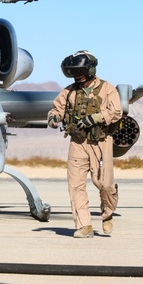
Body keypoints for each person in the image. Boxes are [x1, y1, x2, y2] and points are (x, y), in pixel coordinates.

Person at [47, 51, 123, 238]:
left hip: (101, 142)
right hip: (78, 143)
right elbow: (57, 108)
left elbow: (116, 112)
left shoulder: (107, 89)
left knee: (104, 184)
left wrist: (94, 118)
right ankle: (84, 225)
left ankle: (107, 214)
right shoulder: (69, 91)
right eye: (73, 73)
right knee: (75, 185)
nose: (76, 76)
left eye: (79, 72)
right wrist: (53, 117)